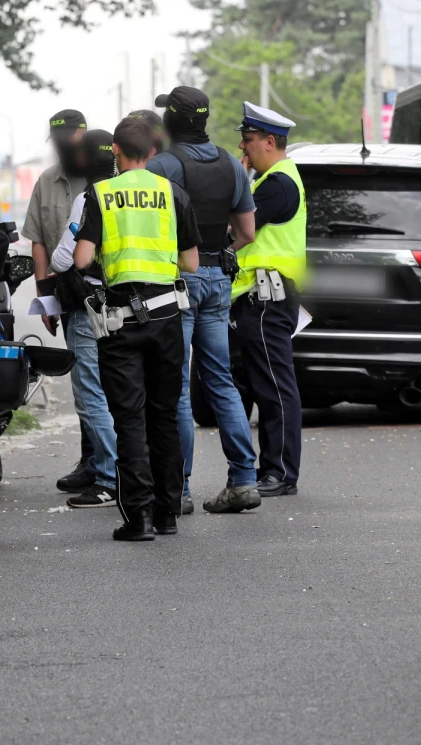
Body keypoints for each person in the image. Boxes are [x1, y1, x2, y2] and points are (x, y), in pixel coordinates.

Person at [73, 117, 201, 541]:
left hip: (121, 320)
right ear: (151, 152)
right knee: (164, 414)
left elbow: (80, 259)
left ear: (115, 152)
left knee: (129, 418)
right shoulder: (173, 193)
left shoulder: (101, 194)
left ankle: (139, 518)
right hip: (167, 316)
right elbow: (191, 264)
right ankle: (168, 514)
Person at [146, 86, 261, 515]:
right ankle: (244, 480)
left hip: (177, 283)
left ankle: (179, 489)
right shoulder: (232, 165)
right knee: (220, 380)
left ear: (172, 121)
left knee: (175, 385)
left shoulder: (162, 166)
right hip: (217, 279)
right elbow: (247, 233)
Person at [233, 101, 306, 497]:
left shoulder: (278, 184)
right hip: (257, 296)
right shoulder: (269, 181)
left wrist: (236, 181)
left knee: (275, 387)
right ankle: (269, 469)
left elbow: (240, 228)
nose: (243, 151)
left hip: (267, 297)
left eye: (248, 142)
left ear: (270, 141)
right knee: (262, 384)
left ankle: (279, 473)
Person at [22, 108, 95, 494]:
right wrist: (45, 299)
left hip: (105, 295)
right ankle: (91, 461)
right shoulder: (46, 182)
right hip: (65, 297)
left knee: (108, 382)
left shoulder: (105, 178)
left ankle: (114, 461)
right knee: (83, 381)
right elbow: (38, 240)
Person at [49, 129, 119, 509]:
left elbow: (65, 259)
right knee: (120, 394)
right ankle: (129, 471)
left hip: (90, 307)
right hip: (131, 306)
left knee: (91, 395)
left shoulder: (89, 198)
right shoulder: (134, 194)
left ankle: (109, 477)